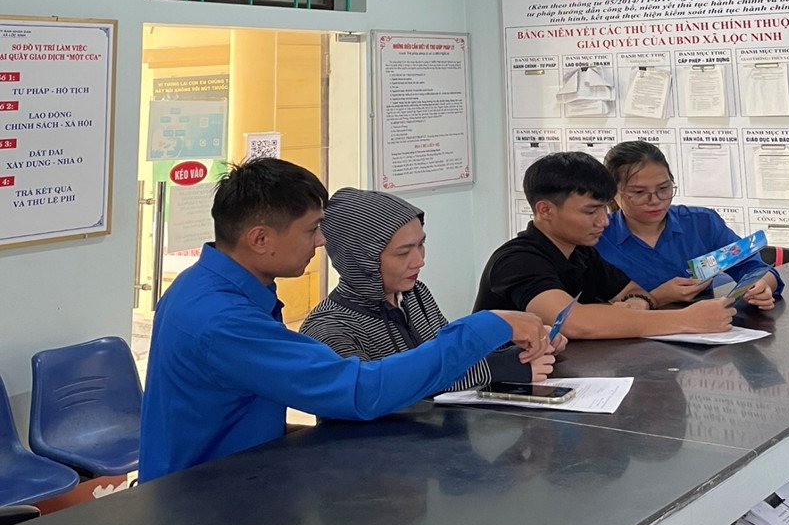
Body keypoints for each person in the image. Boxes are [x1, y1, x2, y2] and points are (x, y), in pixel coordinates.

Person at [139, 158, 547, 482]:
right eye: (312, 230)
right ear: (260, 239)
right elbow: (359, 390)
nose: (321, 241)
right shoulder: (222, 319)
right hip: (206, 498)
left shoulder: (210, 285)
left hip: (240, 473)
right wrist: (485, 326)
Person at [299, 187, 560, 388]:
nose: (419, 261)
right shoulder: (329, 328)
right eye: (403, 253)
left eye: (421, 245)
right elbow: (381, 392)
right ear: (362, 260)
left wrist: (519, 344)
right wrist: (498, 367)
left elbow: (449, 357)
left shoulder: (415, 295)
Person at [474, 151, 736, 339]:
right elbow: (572, 322)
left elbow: (634, 292)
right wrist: (687, 320)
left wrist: (639, 303)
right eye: (591, 211)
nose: (603, 221)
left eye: (604, 209)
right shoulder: (516, 260)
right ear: (545, 210)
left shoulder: (582, 254)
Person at [595, 140, 782, 308]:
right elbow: (586, 313)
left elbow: (753, 267)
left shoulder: (701, 223)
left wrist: (762, 285)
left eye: (663, 188)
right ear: (613, 193)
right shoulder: (596, 237)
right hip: (631, 333)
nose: (655, 200)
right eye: (638, 192)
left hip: (707, 328)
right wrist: (657, 298)